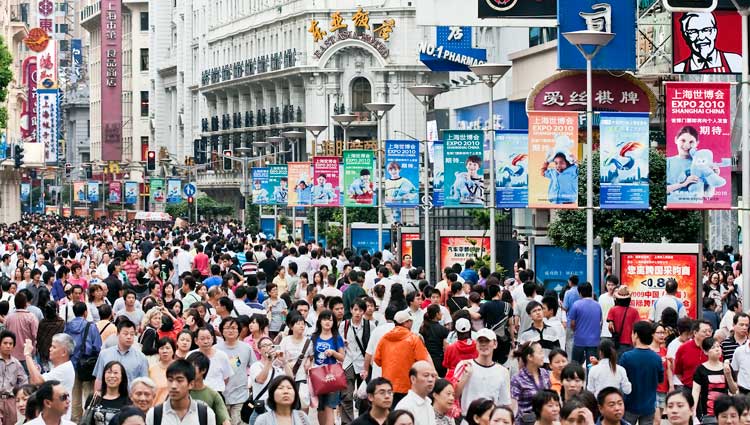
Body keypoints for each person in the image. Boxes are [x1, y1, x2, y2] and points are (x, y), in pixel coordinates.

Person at [374, 310, 431, 406]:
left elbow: (377, 360)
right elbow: (423, 361)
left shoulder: (385, 338)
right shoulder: (413, 339)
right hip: (407, 384)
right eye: (410, 321)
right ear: (406, 323)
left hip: (388, 384)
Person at [454, 328, 511, 413]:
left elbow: (505, 402)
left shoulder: (502, 372)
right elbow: (454, 395)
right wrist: (465, 377)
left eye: (487, 341)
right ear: (476, 344)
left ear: (495, 344)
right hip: (467, 418)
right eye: (480, 341)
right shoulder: (464, 365)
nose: (483, 344)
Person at [145, 359, 217, 425]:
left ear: (191, 384)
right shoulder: (154, 414)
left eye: (179, 380)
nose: (173, 386)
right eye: (170, 380)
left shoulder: (205, 414)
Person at [618, 321, 664, 425]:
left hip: (630, 405)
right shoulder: (657, 358)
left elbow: (620, 380)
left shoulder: (627, 357)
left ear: (636, 335)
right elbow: (660, 380)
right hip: (649, 406)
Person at [64, 302, 102, 422]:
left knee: (75, 395)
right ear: (85, 312)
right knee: (89, 395)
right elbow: (97, 346)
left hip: (72, 364)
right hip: (87, 365)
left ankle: (76, 420)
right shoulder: (91, 326)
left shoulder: (68, 326)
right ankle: (87, 420)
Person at [24, 334, 75, 419]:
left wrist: (27, 354)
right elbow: (34, 382)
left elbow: (37, 381)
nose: (50, 349)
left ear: (64, 352)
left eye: (54, 347)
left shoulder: (64, 368)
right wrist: (34, 370)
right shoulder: (56, 367)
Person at [340, 299, 375, 425]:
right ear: (350, 310)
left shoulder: (370, 325)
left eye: (360, 310)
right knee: (346, 395)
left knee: (364, 396)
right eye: (355, 310)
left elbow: (372, 347)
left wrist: (368, 366)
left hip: (363, 364)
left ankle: (362, 421)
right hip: (348, 362)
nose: (358, 313)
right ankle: (347, 422)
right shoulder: (344, 325)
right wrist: (342, 343)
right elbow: (339, 342)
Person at [216, 317, 256, 425]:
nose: (231, 330)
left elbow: (254, 368)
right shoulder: (215, 349)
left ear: (239, 330)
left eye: (234, 328)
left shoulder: (246, 348)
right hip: (220, 397)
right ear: (222, 330)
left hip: (241, 396)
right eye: (227, 328)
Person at [91, 319, 149, 393]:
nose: (129, 337)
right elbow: (99, 379)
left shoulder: (141, 358)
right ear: (118, 334)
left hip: (129, 400)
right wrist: (97, 398)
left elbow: (144, 382)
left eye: (132, 334)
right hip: (108, 398)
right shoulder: (104, 354)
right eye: (125, 334)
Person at [673, 11, 742, 73]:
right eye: (693, 31)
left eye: (706, 30)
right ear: (685, 35)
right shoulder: (679, 69)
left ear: (715, 32)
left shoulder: (735, 61)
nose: (701, 37)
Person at [692, 337, 737, 419]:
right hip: (707, 414)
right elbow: (695, 391)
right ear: (706, 352)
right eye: (713, 347)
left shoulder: (727, 367)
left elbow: (734, 390)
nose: (717, 349)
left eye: (718, 346)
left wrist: (728, 375)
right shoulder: (700, 369)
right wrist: (693, 410)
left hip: (725, 412)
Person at [511, 341, 551, 424]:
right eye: (540, 353)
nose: (543, 356)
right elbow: (513, 407)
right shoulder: (517, 379)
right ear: (530, 357)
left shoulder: (546, 374)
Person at [186, 352, 231, 425]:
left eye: (192, 367)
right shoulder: (180, 392)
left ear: (203, 370)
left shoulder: (213, 395)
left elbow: (224, 419)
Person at [83, 361, 132, 425]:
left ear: (122, 377)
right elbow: (85, 420)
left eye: (115, 373)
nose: (112, 376)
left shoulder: (127, 401)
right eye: (109, 372)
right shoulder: (94, 398)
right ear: (104, 376)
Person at [189, 326, 232, 394]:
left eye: (208, 338)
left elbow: (226, 378)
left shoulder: (222, 356)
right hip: (195, 392)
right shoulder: (191, 355)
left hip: (216, 393)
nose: (206, 341)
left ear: (212, 339)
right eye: (202, 339)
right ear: (196, 341)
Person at [394, 361, 437, 425]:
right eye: (426, 375)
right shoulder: (405, 407)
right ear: (413, 379)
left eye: (433, 376)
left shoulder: (428, 404)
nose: (430, 379)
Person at [568, 282, 601, 364]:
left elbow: (572, 323)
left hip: (579, 340)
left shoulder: (576, 305)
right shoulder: (597, 305)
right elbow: (600, 323)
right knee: (592, 366)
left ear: (580, 293)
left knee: (575, 365)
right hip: (594, 341)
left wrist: (575, 330)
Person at [674, 320, 712, 390]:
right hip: (689, 389)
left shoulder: (715, 348)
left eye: (710, 331)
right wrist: (687, 383)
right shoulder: (683, 348)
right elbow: (678, 371)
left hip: (709, 390)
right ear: (695, 332)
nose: (708, 334)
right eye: (704, 331)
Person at [0, 330, 27, 425]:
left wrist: (19, 397)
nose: (8, 346)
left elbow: (24, 382)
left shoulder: (16, 364)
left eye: (11, 344)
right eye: (5, 343)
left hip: (10, 401)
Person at [607, 286, 641, 354]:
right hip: (630, 343)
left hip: (617, 343)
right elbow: (637, 328)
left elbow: (611, 328)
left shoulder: (613, 310)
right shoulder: (634, 311)